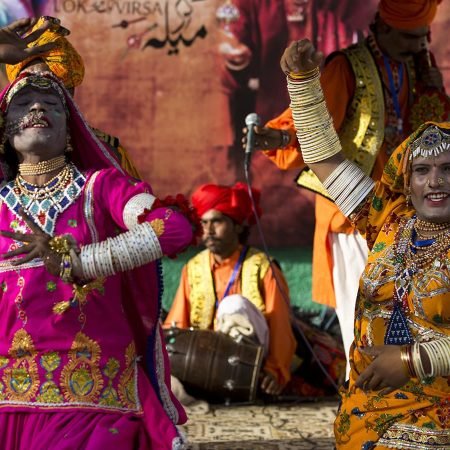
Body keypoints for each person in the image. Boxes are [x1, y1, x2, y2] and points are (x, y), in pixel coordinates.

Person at [0, 18, 196, 449]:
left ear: (71, 128)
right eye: (22, 102)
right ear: (3, 127)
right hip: (6, 398)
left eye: (52, 103)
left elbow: (176, 228)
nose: (37, 108)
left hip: (94, 392)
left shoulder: (98, 187)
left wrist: (83, 261)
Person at [247, 0, 448, 376]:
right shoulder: (347, 67)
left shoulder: (418, 69)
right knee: (368, 317)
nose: (419, 46)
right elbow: (313, 130)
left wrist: (434, 93)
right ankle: (365, 398)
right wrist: (275, 137)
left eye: (424, 38)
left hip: (412, 217)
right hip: (356, 213)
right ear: (383, 29)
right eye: (410, 38)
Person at [281, 36, 450, 449]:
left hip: (435, 421)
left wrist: (413, 361)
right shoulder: (387, 218)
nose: (436, 181)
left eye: (448, 169)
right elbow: (325, 159)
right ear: (405, 182)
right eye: (423, 170)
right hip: (365, 415)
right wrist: (302, 81)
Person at [164, 182, 296, 396]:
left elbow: (280, 325)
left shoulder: (263, 266)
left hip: (251, 358)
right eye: (203, 222)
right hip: (205, 359)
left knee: (233, 305)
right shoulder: (193, 268)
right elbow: (177, 324)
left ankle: (248, 380)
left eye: (217, 221)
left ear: (237, 226)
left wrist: (275, 371)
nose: (208, 230)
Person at [3, 16, 141, 179]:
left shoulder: (104, 156)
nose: (37, 105)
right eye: (25, 99)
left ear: (69, 101)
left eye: (50, 98)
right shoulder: (5, 149)